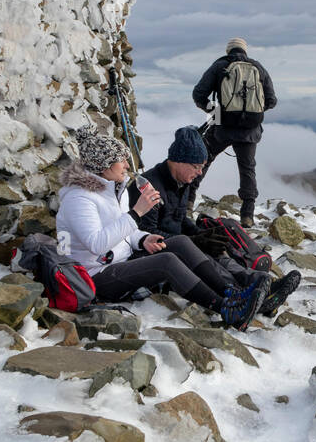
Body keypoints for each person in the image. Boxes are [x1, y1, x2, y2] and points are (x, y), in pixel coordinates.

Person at [55, 125, 266, 330]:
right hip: (94, 276)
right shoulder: (79, 199)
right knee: (166, 261)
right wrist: (137, 213)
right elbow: (97, 244)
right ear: (105, 165)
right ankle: (225, 309)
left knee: (181, 242)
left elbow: (124, 231)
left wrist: (143, 239)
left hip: (121, 260)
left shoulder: (114, 190)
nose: (128, 166)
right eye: (122, 161)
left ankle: (230, 293)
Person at [128, 125, 301, 317]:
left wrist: (199, 234)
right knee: (206, 258)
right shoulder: (149, 187)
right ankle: (245, 295)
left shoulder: (181, 181)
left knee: (218, 251)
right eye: (197, 167)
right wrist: (195, 241)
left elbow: (179, 218)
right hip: (156, 252)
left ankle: (260, 284)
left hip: (179, 242)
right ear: (178, 161)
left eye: (202, 167)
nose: (200, 173)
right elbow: (145, 233)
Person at [192, 37, 277, 227]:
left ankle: (188, 201)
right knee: (247, 170)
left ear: (228, 50)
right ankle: (247, 215)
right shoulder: (258, 68)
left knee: (203, 160)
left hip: (223, 127)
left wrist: (216, 111)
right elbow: (271, 100)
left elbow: (198, 95)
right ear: (245, 50)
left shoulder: (220, 66)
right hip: (250, 131)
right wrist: (251, 112)